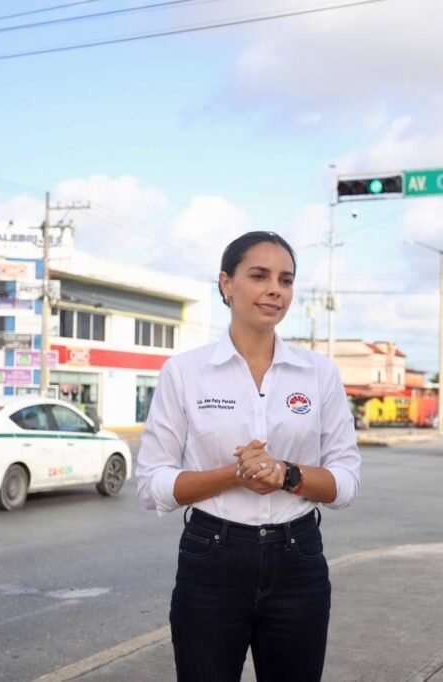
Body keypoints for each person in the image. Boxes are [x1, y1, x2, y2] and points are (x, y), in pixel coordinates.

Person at [136, 231, 361, 681]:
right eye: (259, 276)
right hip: (211, 557)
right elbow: (151, 484)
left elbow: (346, 482)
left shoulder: (319, 373)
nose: (275, 289)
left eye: (286, 279)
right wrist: (233, 475)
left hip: (298, 559)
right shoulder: (185, 373)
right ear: (226, 284)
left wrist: (286, 474)